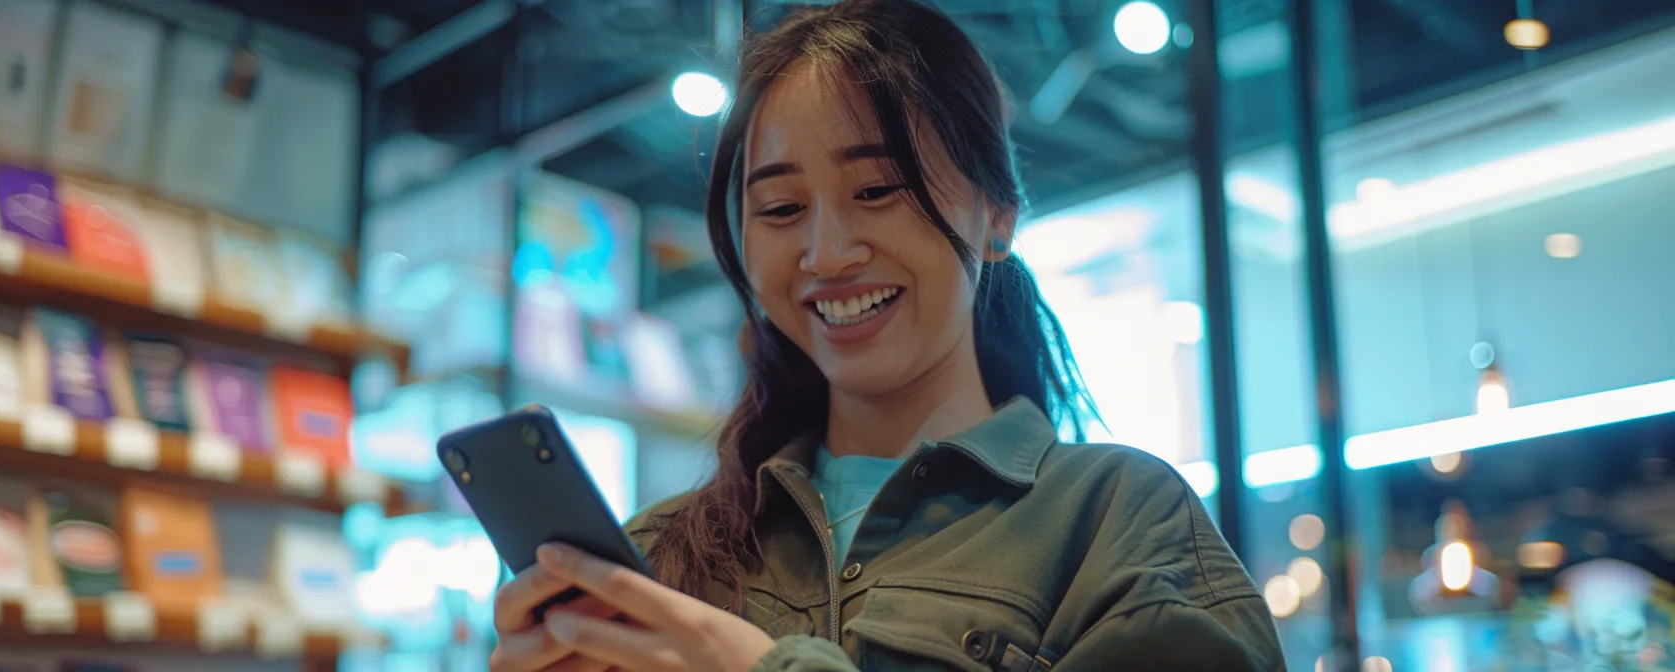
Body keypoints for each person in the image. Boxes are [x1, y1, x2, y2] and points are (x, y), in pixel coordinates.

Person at [488, 1, 1285, 670]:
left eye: (876, 189)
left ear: (997, 216)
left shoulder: (1117, 523)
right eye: (780, 210)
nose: (827, 255)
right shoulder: (662, 555)